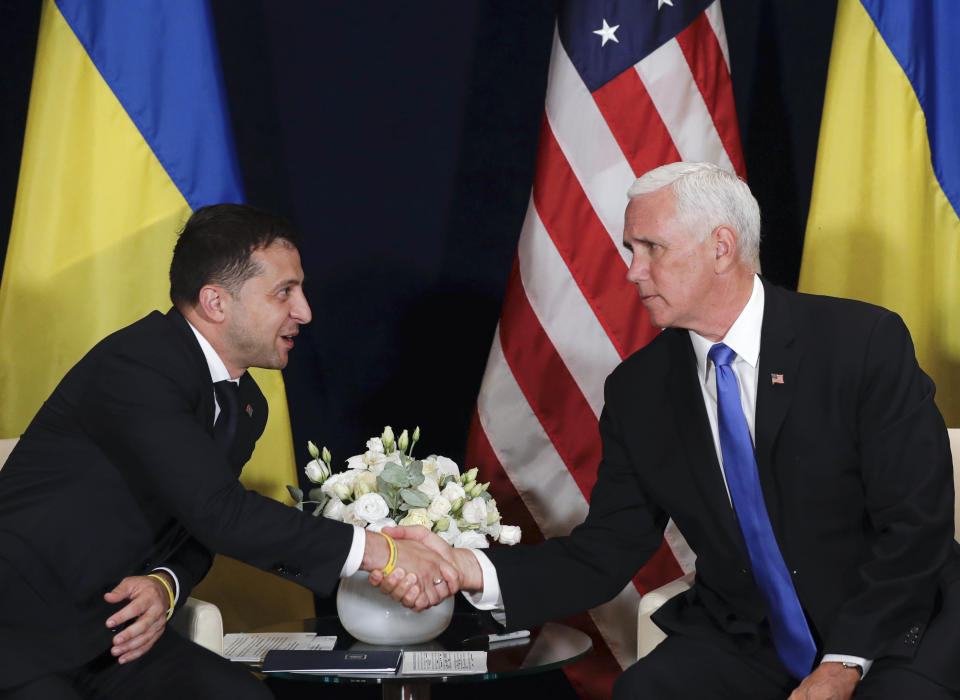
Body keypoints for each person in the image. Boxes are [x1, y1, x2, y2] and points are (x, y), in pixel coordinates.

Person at [374, 163, 960, 699]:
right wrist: (467, 566)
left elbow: (916, 526)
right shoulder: (640, 390)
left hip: (891, 625)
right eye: (631, 249)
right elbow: (605, 552)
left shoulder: (860, 343)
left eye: (651, 248)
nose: (632, 270)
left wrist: (843, 662)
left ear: (721, 248)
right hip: (750, 638)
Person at [0, 204, 459, 699]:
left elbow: (196, 529)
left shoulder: (245, 404)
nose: (305, 311)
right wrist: (382, 552)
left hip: (115, 635)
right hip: (21, 629)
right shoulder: (138, 365)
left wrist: (166, 583)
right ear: (216, 302)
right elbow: (220, 513)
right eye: (285, 292)